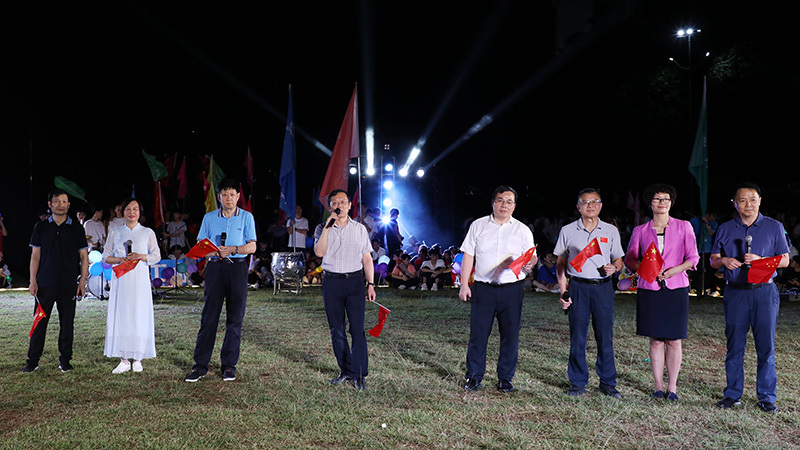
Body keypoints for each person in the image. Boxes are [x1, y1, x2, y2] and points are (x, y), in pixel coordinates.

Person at [711, 182, 790, 413]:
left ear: (760, 201)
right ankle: (733, 394)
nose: (748, 205)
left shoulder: (774, 227)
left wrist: (761, 260)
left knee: (766, 346)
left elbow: (784, 259)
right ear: (735, 203)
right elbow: (713, 258)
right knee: (734, 345)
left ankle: (766, 396)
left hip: (764, 292)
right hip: (736, 292)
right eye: (743, 200)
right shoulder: (725, 228)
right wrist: (723, 261)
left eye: (753, 199)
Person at [624, 184, 699, 402]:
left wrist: (675, 270)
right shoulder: (640, 230)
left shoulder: (684, 227)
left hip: (676, 287)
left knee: (674, 340)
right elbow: (630, 259)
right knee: (656, 340)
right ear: (650, 203)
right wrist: (646, 270)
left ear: (671, 203)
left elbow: (693, 258)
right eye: (657, 199)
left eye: (666, 199)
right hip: (650, 287)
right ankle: (657, 386)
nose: (662, 203)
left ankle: (672, 387)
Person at [459, 185, 536, 393]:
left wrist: (531, 262)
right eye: (501, 200)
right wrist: (464, 284)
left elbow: (531, 254)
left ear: (514, 206)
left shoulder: (522, 229)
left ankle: (505, 379)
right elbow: (468, 255)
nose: (505, 204)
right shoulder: (478, 225)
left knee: (510, 335)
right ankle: (474, 376)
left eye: (509, 201)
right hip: (483, 289)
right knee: (478, 334)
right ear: (493, 202)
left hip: (512, 289)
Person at [185, 178, 257, 383]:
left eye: (232, 194)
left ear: (238, 196)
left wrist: (233, 249)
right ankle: (200, 365)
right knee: (209, 318)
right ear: (219, 197)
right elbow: (200, 242)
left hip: (237, 268)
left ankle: (229, 366)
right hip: (215, 268)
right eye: (224, 195)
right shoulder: (209, 218)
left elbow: (252, 246)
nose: (228, 198)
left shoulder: (246, 217)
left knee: (235, 319)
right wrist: (213, 251)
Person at [555, 188, 624, 398]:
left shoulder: (610, 230)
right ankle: (577, 382)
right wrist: (564, 291)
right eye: (585, 202)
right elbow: (560, 263)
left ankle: (607, 382)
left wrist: (615, 268)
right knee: (578, 336)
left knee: (605, 336)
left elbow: (618, 259)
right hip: (578, 287)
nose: (590, 205)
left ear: (601, 206)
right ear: (578, 207)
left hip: (603, 288)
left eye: (595, 202)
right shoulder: (568, 230)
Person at [313, 189, 376, 391]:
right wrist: (328, 227)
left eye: (343, 201)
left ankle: (359, 374)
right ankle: (345, 370)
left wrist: (371, 283)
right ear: (330, 206)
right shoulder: (322, 228)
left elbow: (367, 258)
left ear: (350, 205)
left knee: (357, 328)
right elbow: (319, 252)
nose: (339, 205)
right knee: (336, 329)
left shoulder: (359, 229)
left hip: (355, 282)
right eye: (334, 203)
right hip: (332, 282)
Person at [23, 189, 89, 373]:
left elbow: (84, 257)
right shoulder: (41, 227)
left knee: (67, 324)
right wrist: (32, 281)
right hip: (44, 285)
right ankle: (32, 361)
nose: (60, 204)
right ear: (50, 204)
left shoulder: (76, 228)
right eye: (56, 201)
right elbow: (35, 256)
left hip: (69, 285)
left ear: (69, 205)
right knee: (39, 323)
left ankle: (65, 361)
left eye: (64, 201)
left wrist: (82, 282)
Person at [102, 198, 161, 374]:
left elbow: (156, 256)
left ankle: (138, 357)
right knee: (123, 315)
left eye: (135, 209)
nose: (131, 212)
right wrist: (121, 259)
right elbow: (106, 256)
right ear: (122, 211)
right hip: (121, 280)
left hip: (139, 281)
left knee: (138, 315)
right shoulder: (115, 232)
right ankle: (124, 359)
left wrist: (141, 256)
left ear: (140, 212)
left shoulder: (147, 232)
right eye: (128, 208)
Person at [690, 211, 718, 295]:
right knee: (697, 270)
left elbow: (710, 233)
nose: (714, 218)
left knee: (709, 271)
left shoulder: (714, 223)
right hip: (697, 250)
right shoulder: (695, 220)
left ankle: (709, 288)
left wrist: (705, 222)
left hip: (708, 250)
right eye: (713, 216)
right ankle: (696, 288)